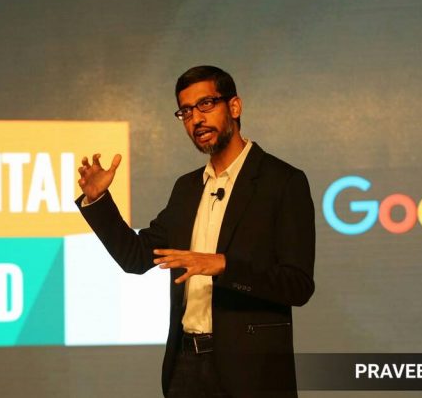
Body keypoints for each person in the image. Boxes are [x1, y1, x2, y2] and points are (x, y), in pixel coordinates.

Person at [76, 65, 315, 397]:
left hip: (252, 372)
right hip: (186, 368)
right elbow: (136, 257)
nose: (196, 119)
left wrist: (223, 266)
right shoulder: (187, 189)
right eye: (186, 112)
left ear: (234, 107)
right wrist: (97, 200)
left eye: (206, 104)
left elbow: (298, 286)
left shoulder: (282, 182)